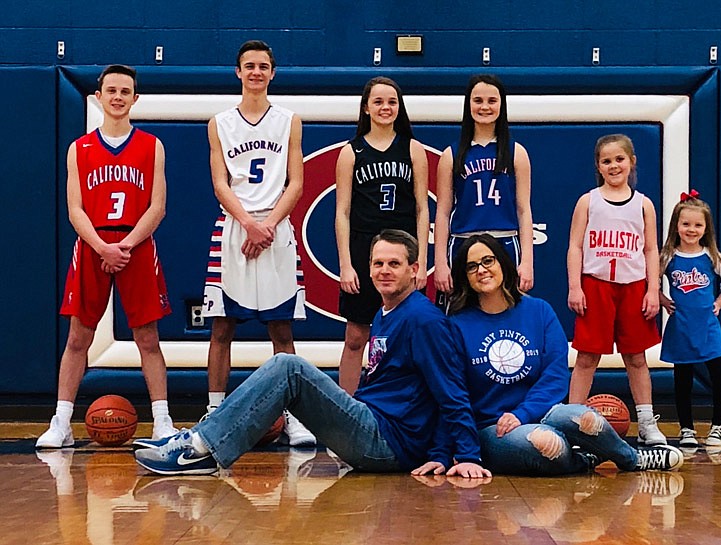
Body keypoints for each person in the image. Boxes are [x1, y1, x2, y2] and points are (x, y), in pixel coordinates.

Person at [135, 230, 491, 479]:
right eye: (378, 263)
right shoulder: (386, 313)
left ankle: (199, 449)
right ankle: (201, 440)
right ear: (368, 269)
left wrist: (459, 455)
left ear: (415, 271)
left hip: (388, 442)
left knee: (288, 367)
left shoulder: (423, 319)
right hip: (373, 425)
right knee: (287, 370)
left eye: (394, 264)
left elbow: (451, 392)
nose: (384, 271)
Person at [414, 234, 683, 476]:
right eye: (471, 267)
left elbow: (554, 376)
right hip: (493, 428)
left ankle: (632, 459)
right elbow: (451, 395)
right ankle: (585, 460)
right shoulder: (457, 325)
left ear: (503, 263)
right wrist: (443, 452)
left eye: (488, 261)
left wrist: (523, 413)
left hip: (541, 413)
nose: (482, 270)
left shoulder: (539, 311)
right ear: (465, 277)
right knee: (546, 442)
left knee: (583, 417)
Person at [37, 65, 177, 448]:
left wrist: (125, 246)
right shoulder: (79, 148)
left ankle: (163, 421)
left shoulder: (151, 146)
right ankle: (61, 422)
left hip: (136, 244)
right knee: (78, 337)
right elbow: (75, 209)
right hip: (93, 246)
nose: (117, 97)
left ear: (135, 98)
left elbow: (158, 206)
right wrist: (102, 247)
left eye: (125, 91)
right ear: (98, 97)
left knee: (147, 338)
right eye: (110, 90)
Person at [200, 40, 313, 446]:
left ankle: (295, 414)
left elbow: (296, 182)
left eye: (263, 66)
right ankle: (214, 411)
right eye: (249, 66)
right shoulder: (219, 122)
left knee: (281, 330)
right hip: (235, 228)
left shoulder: (289, 120)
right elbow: (219, 183)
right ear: (238, 72)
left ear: (272, 72)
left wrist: (267, 225)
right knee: (221, 327)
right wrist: (249, 223)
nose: (256, 72)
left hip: (277, 229)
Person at [566, 134, 667, 446]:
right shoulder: (588, 201)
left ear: (632, 161)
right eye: (606, 161)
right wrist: (574, 286)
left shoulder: (643, 204)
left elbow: (651, 250)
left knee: (636, 358)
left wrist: (653, 290)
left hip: (633, 286)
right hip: (595, 286)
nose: (613, 166)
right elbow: (574, 247)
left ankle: (648, 423)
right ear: (598, 165)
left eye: (619, 159)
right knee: (586, 358)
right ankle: (571, 421)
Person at [335, 76, 429, 394]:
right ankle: (343, 417)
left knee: (406, 335)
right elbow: (342, 212)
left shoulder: (413, 149)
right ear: (366, 108)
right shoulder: (351, 152)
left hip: (402, 252)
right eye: (378, 101)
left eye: (391, 101)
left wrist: (422, 263)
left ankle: (402, 409)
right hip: (365, 249)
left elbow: (422, 209)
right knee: (356, 336)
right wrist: (346, 265)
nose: (385, 107)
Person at [433, 74, 534, 308]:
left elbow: (523, 210)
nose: (485, 107)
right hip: (462, 242)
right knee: (460, 313)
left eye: (492, 100)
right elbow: (442, 212)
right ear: (468, 105)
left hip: (505, 241)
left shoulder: (516, 152)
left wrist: (527, 259)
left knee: (508, 311)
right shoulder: (451, 154)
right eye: (478, 100)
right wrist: (440, 261)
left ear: (502, 104)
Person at [659, 190, 721, 451]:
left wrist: (718, 303)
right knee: (682, 378)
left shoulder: (711, 257)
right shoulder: (667, 256)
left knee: (720, 375)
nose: (691, 229)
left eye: (697, 225)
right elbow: (646, 282)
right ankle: (687, 428)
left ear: (706, 228)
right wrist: (661, 299)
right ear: (676, 225)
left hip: (707, 327)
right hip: (681, 327)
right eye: (686, 224)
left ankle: (717, 427)